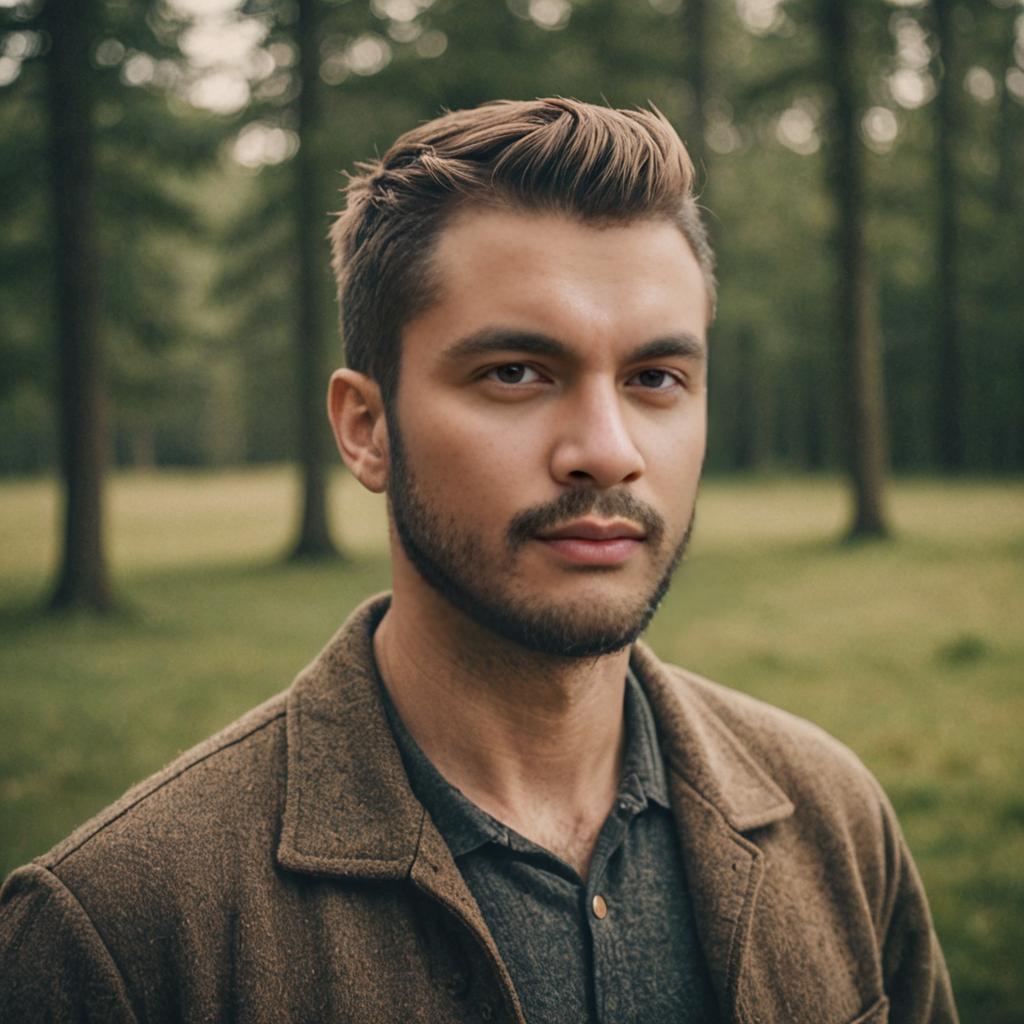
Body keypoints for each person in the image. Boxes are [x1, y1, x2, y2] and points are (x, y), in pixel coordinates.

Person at [0, 98, 956, 1023]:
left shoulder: (834, 820)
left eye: (656, 378)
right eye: (515, 374)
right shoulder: (115, 935)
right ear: (367, 428)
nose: (607, 448)